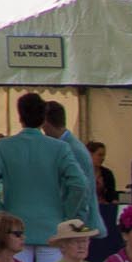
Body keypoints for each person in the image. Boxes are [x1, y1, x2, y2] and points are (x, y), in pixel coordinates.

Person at [0, 93, 89, 262]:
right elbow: (79, 184)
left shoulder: (2, 147)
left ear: (20, 116)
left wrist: (2, 215)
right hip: (52, 228)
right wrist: (67, 215)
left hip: (13, 231)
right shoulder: (59, 147)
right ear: (43, 118)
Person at [41, 101, 104, 237]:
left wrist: (67, 219)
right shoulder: (68, 146)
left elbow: (80, 189)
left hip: (80, 227)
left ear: (46, 122)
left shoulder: (72, 149)